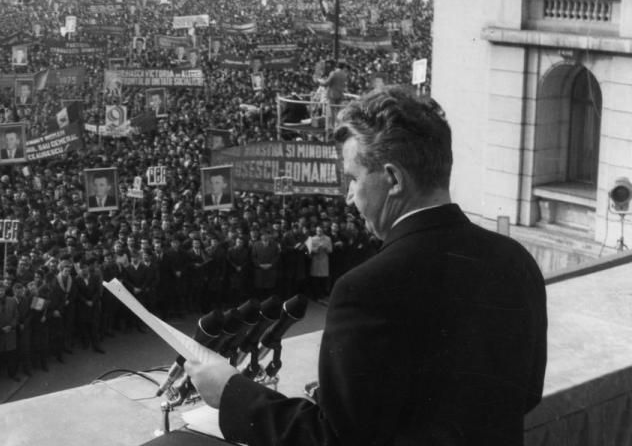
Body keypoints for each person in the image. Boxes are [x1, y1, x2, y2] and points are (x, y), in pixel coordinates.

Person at [184, 87, 547, 446]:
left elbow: (331, 441)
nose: (348, 197)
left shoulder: (366, 289)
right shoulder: (516, 261)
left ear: (393, 179)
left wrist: (231, 393)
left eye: (353, 179)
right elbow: (525, 394)